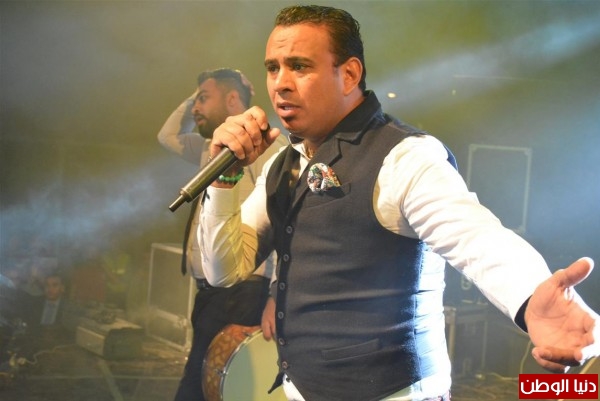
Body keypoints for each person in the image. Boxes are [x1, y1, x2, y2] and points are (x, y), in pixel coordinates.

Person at [197, 5, 600, 401]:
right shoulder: (282, 166)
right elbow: (222, 271)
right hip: (300, 389)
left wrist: (531, 297)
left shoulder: (404, 157)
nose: (281, 84)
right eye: (273, 68)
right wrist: (224, 179)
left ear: (349, 74)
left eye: (299, 66)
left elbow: (476, 238)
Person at [157, 68, 284, 401]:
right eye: (196, 100)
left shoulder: (263, 144)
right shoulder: (208, 147)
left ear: (232, 100)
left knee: (203, 390)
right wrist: (196, 95)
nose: (196, 108)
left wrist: (276, 295)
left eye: (204, 98)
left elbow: (284, 221)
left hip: (242, 292)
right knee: (204, 386)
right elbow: (167, 136)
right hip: (212, 293)